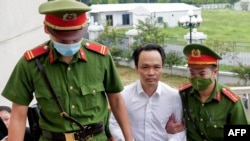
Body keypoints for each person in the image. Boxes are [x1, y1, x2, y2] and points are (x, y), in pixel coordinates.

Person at [1, 0, 134, 141]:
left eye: (76, 38)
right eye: (63, 40)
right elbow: (18, 115)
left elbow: (116, 101)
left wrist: (129, 139)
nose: (71, 44)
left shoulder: (101, 58)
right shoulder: (30, 63)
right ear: (46, 29)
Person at [109, 43, 186, 141]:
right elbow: (114, 124)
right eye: (145, 67)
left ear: (162, 68)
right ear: (136, 68)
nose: (151, 73)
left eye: (156, 67)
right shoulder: (124, 95)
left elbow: (180, 129)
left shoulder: (174, 96)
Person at [175, 44, 249, 141]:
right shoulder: (183, 95)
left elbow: (241, 134)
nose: (196, 78)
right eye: (192, 73)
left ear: (215, 73)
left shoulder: (230, 101)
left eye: (202, 73)